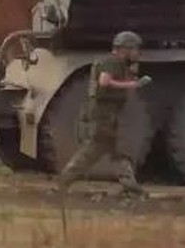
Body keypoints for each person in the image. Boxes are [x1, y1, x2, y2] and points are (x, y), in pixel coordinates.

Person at [57, 30, 152, 196]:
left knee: (120, 147)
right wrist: (131, 85)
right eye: (135, 49)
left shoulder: (119, 64)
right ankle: (66, 178)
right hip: (104, 113)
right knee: (96, 149)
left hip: (111, 113)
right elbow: (104, 81)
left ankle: (128, 181)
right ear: (125, 49)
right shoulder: (112, 62)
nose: (137, 53)